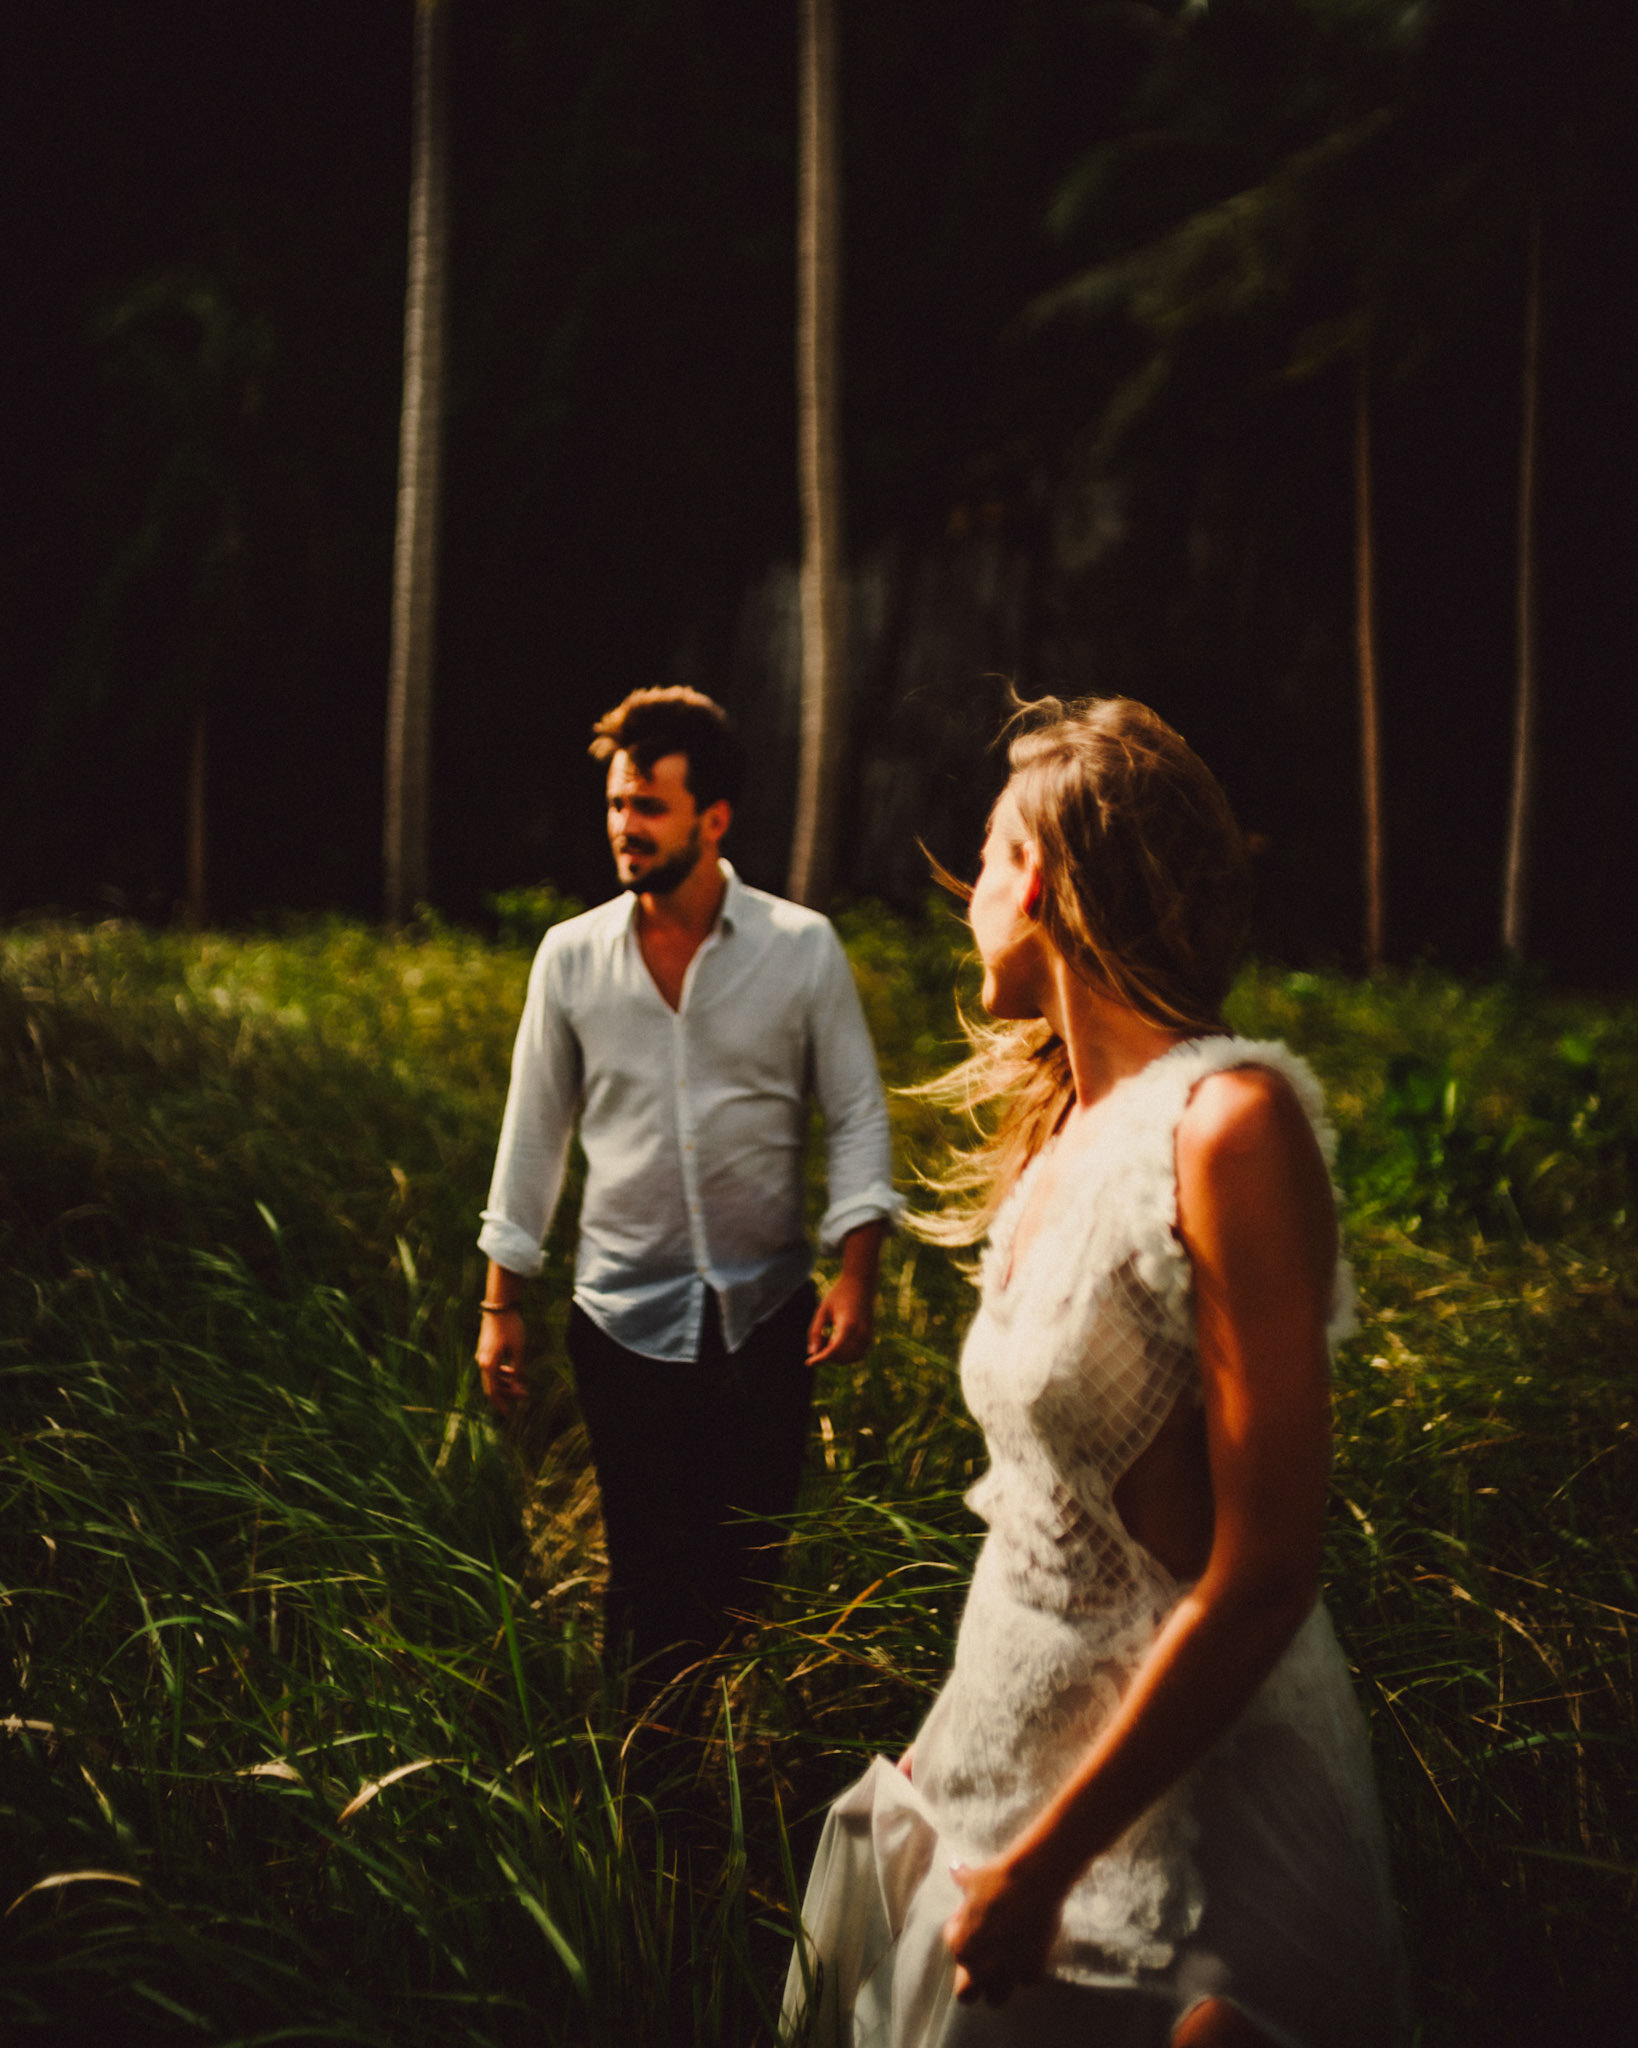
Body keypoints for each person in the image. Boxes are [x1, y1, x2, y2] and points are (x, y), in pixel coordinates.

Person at [784, 697, 1409, 2048]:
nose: (961, 900)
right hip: (1009, 1778)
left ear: (1050, 881)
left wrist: (1049, 1864)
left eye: (989, 855)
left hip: (1190, 1824)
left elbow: (1265, 1572)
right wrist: (955, 1749)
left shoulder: (1228, 1123)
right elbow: (1040, 1526)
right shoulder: (1065, 1133)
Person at [476, 686, 900, 1706]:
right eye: (618, 803)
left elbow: (854, 1113)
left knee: (747, 1571)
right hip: (622, 1320)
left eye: (649, 806)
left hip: (766, 1321)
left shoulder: (802, 950)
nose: (624, 827)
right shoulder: (569, 958)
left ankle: (742, 1750)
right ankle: (655, 1793)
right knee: (651, 1573)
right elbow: (534, 1135)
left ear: (714, 818)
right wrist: (500, 1301)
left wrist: (857, 1275)